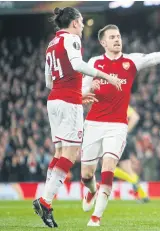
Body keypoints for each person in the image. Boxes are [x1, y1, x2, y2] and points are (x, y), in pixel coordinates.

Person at [80, 24, 160, 227]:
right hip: (93, 123)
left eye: (118, 36)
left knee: (109, 167)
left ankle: (96, 216)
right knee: (86, 175)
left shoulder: (132, 60)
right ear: (103, 42)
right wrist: (88, 89)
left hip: (117, 126)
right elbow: (81, 93)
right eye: (112, 37)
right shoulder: (94, 63)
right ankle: (92, 190)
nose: (117, 39)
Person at [32, 7, 122, 228]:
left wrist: (75, 94)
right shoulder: (71, 39)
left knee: (60, 151)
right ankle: (46, 201)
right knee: (70, 153)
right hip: (67, 103)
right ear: (73, 23)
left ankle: (44, 199)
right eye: (81, 22)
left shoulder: (51, 44)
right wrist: (105, 75)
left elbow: (48, 82)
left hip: (54, 100)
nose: (82, 26)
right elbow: (77, 64)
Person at [114, 106, 149, 203]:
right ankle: (143, 195)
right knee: (128, 170)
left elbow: (135, 117)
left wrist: (125, 131)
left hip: (117, 138)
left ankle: (135, 184)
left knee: (108, 167)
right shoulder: (119, 102)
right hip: (121, 139)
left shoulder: (117, 102)